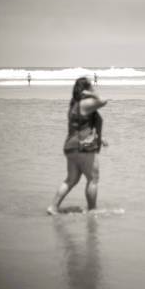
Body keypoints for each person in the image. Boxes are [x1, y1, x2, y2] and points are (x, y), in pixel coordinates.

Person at [47, 77, 108, 215]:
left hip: (71, 146)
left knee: (71, 180)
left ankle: (53, 207)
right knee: (93, 179)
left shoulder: (74, 104)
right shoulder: (84, 103)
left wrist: (100, 137)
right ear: (85, 89)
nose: (93, 87)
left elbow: (81, 126)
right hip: (83, 147)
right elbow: (103, 101)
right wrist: (91, 94)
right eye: (91, 86)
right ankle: (92, 210)